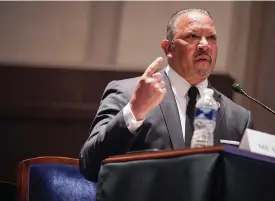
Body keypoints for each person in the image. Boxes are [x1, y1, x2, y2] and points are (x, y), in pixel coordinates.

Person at [79, 8, 253, 182]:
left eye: (211, 37)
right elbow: (90, 166)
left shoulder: (238, 119)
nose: (204, 45)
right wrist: (134, 110)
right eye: (192, 36)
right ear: (168, 48)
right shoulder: (128, 93)